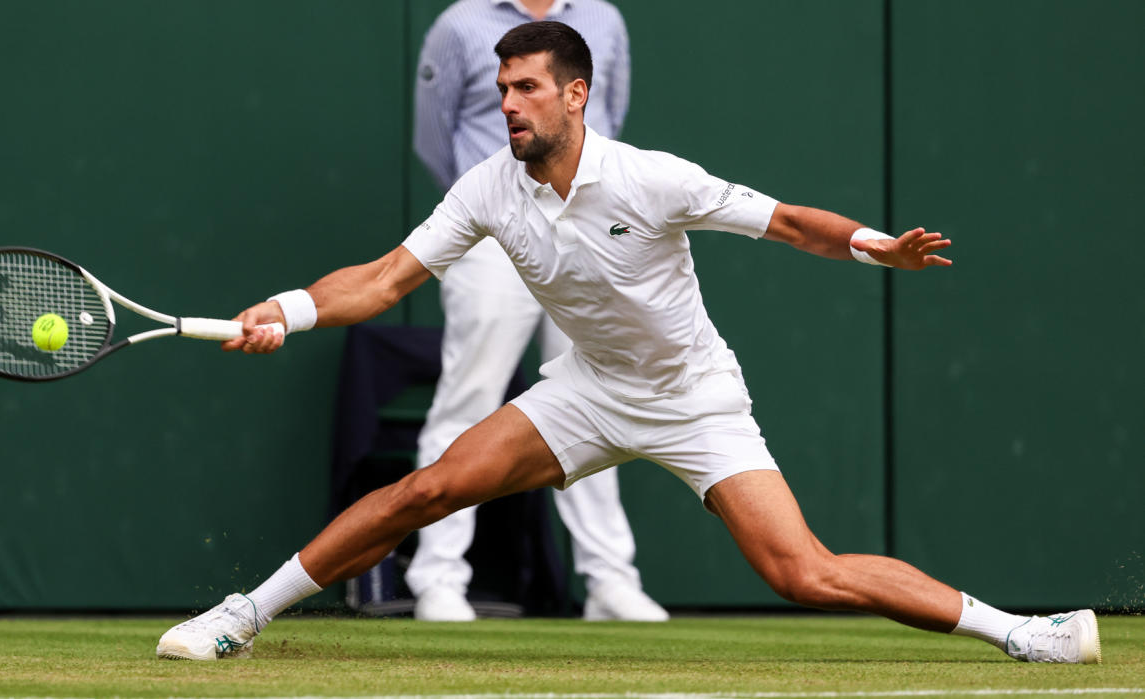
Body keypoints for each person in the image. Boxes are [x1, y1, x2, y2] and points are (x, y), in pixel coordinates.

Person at [156, 21, 1101, 664]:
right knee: (426, 486)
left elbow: (785, 222)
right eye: (500, 90)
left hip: (695, 396)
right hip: (587, 389)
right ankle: (243, 614)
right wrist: (288, 307)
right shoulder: (488, 185)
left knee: (801, 571)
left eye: (526, 89)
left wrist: (872, 246)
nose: (508, 106)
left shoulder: (652, 179)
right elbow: (381, 279)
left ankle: (1029, 634)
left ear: (577, 95)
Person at [407, 0, 664, 622]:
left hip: (590, 238)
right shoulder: (460, 24)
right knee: (467, 399)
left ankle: (609, 581)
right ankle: (438, 579)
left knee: (601, 398)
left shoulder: (603, 19)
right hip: (495, 235)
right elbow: (433, 137)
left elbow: (606, 116)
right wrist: (493, 207)